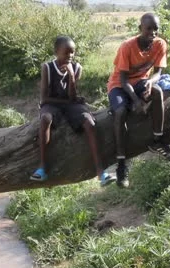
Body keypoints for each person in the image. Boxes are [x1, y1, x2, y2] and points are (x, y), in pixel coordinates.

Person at [30, 36, 116, 186]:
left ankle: (100, 172)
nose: (70, 56)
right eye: (66, 52)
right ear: (57, 52)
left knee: (90, 123)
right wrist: (70, 101)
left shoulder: (77, 68)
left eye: (73, 52)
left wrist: (71, 76)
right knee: (45, 119)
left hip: (70, 104)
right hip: (52, 104)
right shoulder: (48, 68)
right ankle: (42, 167)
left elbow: (72, 96)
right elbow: (44, 98)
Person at [106, 13, 170, 188]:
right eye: (148, 28)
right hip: (119, 85)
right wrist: (135, 101)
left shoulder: (160, 44)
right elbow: (122, 80)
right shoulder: (127, 46)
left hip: (140, 82)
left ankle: (157, 140)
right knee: (121, 111)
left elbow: (158, 72)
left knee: (158, 91)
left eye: (156, 29)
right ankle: (121, 164)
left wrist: (150, 83)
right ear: (140, 29)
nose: (153, 32)